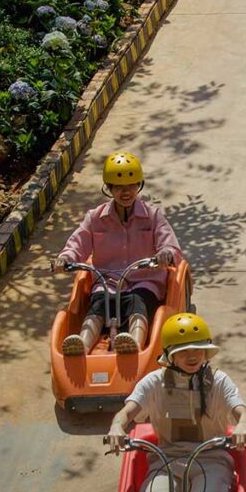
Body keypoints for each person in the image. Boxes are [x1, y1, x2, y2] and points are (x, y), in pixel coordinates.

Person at [106, 313, 246, 492]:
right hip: (166, 459)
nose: (192, 356)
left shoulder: (219, 380)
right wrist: (116, 426)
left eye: (198, 350)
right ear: (170, 356)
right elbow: (127, 412)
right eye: (183, 351)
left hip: (212, 459)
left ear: (206, 352)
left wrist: (242, 426)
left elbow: (242, 413)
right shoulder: (153, 382)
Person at [52, 151, 182, 355]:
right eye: (119, 187)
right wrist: (66, 257)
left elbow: (170, 245)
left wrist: (166, 253)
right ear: (109, 188)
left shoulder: (152, 216)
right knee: (98, 307)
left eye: (131, 186)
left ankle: (134, 346)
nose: (126, 192)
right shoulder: (95, 218)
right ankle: (81, 346)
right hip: (108, 281)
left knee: (138, 305)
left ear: (139, 185)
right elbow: (78, 243)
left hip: (144, 280)